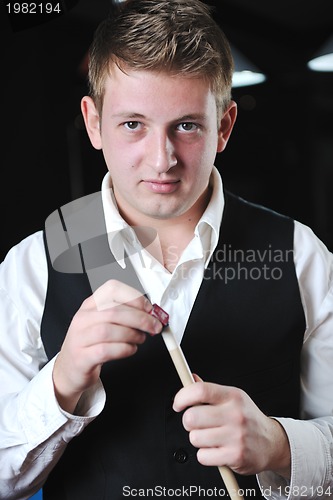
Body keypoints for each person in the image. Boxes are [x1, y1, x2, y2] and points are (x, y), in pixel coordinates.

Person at [1, 0, 333, 498]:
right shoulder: (31, 265)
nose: (162, 160)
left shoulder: (301, 254)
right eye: (133, 124)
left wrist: (281, 446)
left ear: (224, 126)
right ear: (93, 123)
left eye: (187, 125)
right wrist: (63, 381)